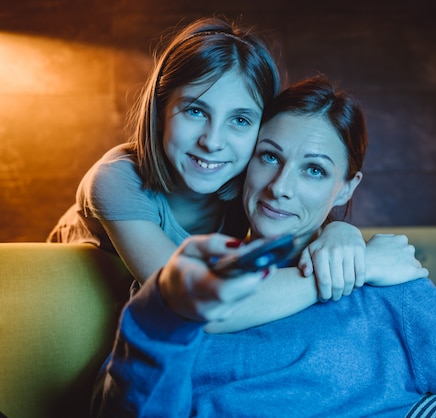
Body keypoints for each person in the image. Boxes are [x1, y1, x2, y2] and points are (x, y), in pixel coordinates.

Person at [92, 76, 436, 417]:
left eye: (314, 169)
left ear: (346, 188)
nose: (281, 186)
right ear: (245, 161)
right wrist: (167, 312)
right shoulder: (185, 285)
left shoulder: (384, 289)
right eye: (270, 157)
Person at [46, 16, 389, 331]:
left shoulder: (255, 186)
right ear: (161, 110)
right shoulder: (116, 180)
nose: (212, 142)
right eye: (195, 110)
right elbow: (195, 303)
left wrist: (341, 234)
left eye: (240, 120)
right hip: (65, 304)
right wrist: (362, 268)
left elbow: (297, 230)